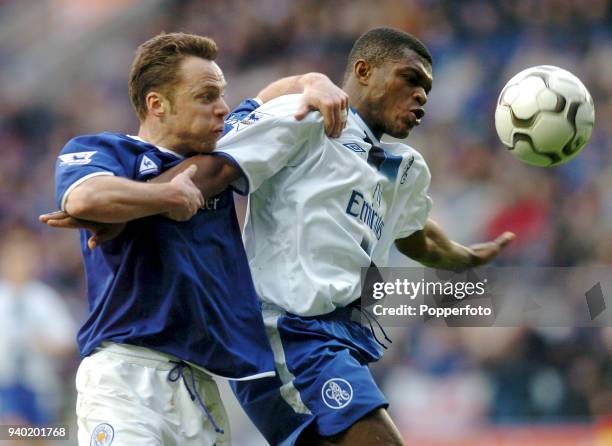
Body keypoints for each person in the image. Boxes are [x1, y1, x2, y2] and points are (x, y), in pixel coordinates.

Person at [107, 27, 512, 446]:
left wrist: (464, 256)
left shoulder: (404, 168)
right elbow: (216, 170)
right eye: (411, 79)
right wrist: (123, 207)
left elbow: (416, 235)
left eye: (427, 88)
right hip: (285, 334)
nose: (422, 96)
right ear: (364, 71)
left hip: (336, 338)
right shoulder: (307, 117)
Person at [39, 32, 348, 446]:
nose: (222, 109)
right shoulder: (107, 151)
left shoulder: (221, 149)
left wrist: (315, 81)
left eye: (221, 94)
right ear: (157, 104)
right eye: (206, 97)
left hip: (200, 390)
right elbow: (85, 196)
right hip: (126, 378)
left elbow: (267, 98)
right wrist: (166, 194)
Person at [0, 228, 76, 446]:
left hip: (40, 388)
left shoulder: (44, 299)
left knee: (39, 438)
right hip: (5, 386)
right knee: (15, 433)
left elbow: (68, 339)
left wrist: (47, 345)